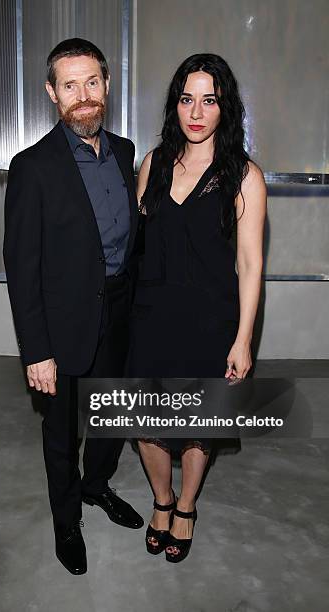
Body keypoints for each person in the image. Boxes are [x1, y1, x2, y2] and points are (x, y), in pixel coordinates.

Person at [3, 38, 143, 576]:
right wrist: (35, 350)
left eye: (92, 83)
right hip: (61, 327)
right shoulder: (32, 167)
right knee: (61, 429)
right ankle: (67, 519)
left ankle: (97, 487)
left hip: (120, 314)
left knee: (109, 416)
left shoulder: (127, 153)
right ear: (51, 93)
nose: (83, 97)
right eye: (69, 86)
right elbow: (22, 267)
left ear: (107, 86)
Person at [126, 53, 266, 563]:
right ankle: (161, 500)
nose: (197, 111)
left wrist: (243, 339)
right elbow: (136, 245)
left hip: (209, 321)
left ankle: (185, 507)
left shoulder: (243, 176)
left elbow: (251, 264)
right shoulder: (154, 164)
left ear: (225, 108)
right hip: (151, 317)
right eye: (187, 98)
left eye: (210, 100)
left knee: (195, 425)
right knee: (146, 422)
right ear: (175, 105)